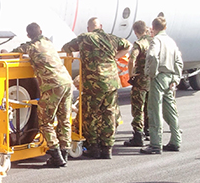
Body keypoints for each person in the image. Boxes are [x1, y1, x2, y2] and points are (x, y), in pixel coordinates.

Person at [62, 17, 131, 159]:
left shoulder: (84, 38)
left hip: (93, 83)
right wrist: (115, 57)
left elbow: (66, 47)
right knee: (109, 114)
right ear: (101, 26)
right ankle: (107, 148)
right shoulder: (111, 38)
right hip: (111, 82)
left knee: (90, 115)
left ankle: (93, 147)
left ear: (88, 28)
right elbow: (128, 45)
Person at [7, 22, 73, 167]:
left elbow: (14, 53)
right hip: (67, 82)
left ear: (28, 35)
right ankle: (65, 152)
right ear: (41, 31)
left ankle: (56, 155)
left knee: (45, 121)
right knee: (64, 118)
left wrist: (5, 52)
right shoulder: (48, 42)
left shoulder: (30, 47)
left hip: (53, 85)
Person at [141, 17, 183, 154]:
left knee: (154, 110)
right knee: (170, 110)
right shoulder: (171, 41)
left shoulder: (156, 40)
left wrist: (151, 72)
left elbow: (152, 55)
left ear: (153, 28)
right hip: (170, 77)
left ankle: (155, 143)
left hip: (159, 77)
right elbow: (179, 61)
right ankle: (176, 140)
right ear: (165, 27)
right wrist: (176, 78)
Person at [124, 21, 153, 147]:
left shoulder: (139, 44)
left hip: (140, 79)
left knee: (137, 108)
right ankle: (148, 130)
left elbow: (131, 60)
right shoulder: (153, 42)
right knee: (148, 106)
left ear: (135, 32)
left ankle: (138, 135)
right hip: (151, 79)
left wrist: (131, 74)